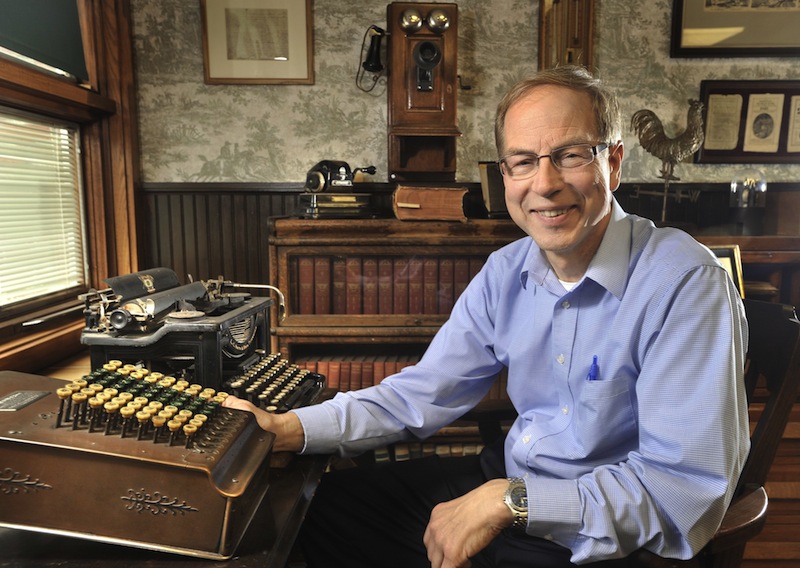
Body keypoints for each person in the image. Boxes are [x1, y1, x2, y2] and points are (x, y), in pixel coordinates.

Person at [223, 65, 749, 567]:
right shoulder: (507, 270)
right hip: (513, 476)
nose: (544, 184)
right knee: (328, 509)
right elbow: (419, 395)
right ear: (505, 176)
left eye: (569, 155)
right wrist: (286, 428)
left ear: (613, 162)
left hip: (604, 531)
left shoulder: (686, 283)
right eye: (523, 161)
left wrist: (511, 502)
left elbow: (681, 491)